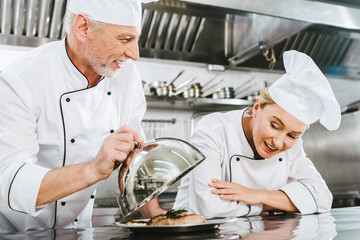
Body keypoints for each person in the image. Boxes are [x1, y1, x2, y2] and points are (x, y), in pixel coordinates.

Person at [0, 0, 157, 232]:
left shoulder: (126, 76)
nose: (134, 54)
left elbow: (134, 160)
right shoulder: (19, 82)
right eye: (125, 39)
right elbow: (8, 182)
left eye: (136, 38)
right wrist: (93, 169)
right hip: (16, 233)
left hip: (80, 232)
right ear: (83, 27)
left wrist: (159, 219)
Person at [173, 50, 341, 218]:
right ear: (256, 108)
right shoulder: (214, 129)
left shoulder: (293, 146)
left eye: (292, 135)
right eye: (274, 125)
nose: (278, 142)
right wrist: (265, 207)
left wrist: (258, 195)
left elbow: (323, 198)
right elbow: (208, 207)